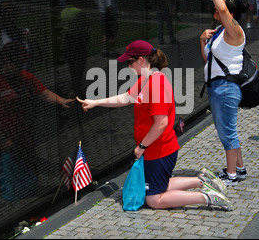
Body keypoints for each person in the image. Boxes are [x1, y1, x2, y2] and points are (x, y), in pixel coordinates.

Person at [77, 40, 231, 210]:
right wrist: (95, 102)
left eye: (130, 62)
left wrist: (142, 146)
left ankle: (207, 197)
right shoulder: (146, 79)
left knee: (153, 199)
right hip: (156, 148)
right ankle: (203, 181)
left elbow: (162, 122)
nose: (128, 67)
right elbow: (126, 98)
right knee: (159, 184)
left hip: (159, 150)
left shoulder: (155, 84)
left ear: (141, 60)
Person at [0, 42, 75, 198]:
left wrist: (61, 100)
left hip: (23, 136)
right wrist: (1, 137)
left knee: (29, 167)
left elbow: (44, 93)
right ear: (5, 61)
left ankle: (62, 175)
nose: (19, 65)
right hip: (0, 143)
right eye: (16, 62)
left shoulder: (25, 77)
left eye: (20, 62)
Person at [199, 0, 247, 186]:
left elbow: (224, 9)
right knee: (227, 129)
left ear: (230, 12)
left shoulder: (234, 30)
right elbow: (208, 59)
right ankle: (239, 168)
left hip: (226, 87)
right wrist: (202, 41)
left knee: (227, 131)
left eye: (223, 6)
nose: (217, 9)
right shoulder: (220, 31)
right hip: (217, 86)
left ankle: (231, 176)